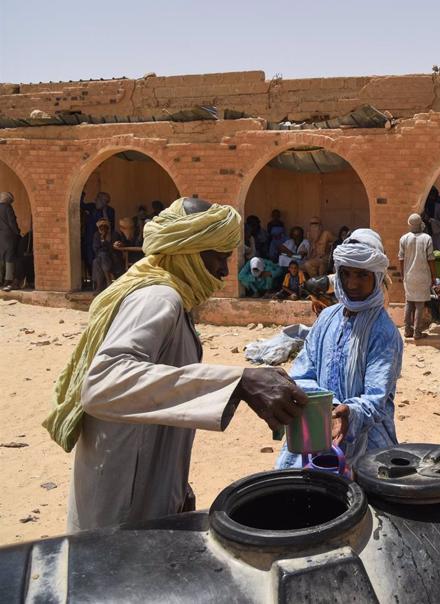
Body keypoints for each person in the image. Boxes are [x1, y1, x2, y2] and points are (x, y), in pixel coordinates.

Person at [44, 197, 307, 532]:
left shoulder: (173, 297)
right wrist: (237, 382)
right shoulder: (157, 298)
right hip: (121, 508)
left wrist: (175, 489)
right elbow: (103, 384)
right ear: (188, 251)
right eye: (218, 258)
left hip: (144, 491)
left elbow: (157, 396)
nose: (224, 271)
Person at [276, 228, 403, 470]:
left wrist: (349, 413)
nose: (352, 283)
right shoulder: (326, 318)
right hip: (314, 428)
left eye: (362, 275)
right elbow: (303, 372)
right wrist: (323, 407)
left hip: (365, 440)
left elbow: (375, 399)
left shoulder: (384, 332)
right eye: (346, 274)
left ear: (376, 277)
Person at [398, 213, 435, 338]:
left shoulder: (404, 239)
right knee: (419, 304)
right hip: (423, 276)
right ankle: (417, 332)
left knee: (409, 302)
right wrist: (434, 276)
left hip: (409, 276)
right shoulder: (427, 238)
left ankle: (407, 330)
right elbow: (431, 260)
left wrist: (403, 274)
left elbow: (401, 259)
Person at [81, 191, 115, 286]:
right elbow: (81, 205)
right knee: (89, 259)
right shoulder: (92, 207)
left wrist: (104, 211)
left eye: (98, 199)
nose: (95, 200)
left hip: (102, 241)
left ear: (105, 202)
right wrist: (82, 193)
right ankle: (94, 281)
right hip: (89, 238)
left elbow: (109, 225)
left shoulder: (110, 211)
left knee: (101, 259)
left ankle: (102, 281)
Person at [0, 191, 19, 291]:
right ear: (8, 200)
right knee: (9, 257)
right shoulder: (7, 207)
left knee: (1, 257)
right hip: (9, 236)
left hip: (0, 236)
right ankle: (8, 279)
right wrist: (17, 232)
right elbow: (12, 222)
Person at [91, 218, 117, 293]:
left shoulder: (113, 234)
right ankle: (101, 285)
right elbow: (95, 248)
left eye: (104, 226)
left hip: (112, 257)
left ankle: (103, 284)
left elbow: (112, 247)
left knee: (101, 256)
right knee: (96, 261)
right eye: (101, 226)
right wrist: (102, 240)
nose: (102, 228)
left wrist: (104, 242)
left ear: (107, 227)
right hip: (101, 257)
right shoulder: (96, 235)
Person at [422, 187, 440, 251]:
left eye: (433, 195)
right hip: (423, 237)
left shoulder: (438, 207)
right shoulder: (422, 207)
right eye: (430, 195)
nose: (431, 197)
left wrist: (430, 221)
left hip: (435, 237)